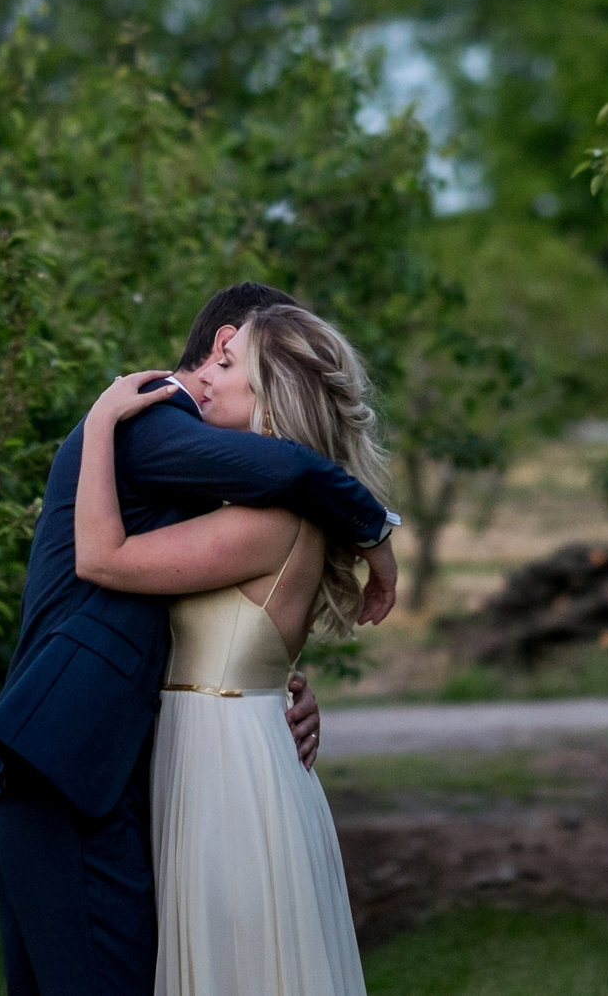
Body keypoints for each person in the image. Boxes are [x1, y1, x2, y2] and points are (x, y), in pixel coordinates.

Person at [0, 284, 401, 996]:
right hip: (64, 766)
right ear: (222, 339)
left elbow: (224, 610)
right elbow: (288, 469)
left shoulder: (226, 488)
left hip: (95, 771)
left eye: (234, 368)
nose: (211, 379)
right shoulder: (147, 418)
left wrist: (268, 683)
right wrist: (374, 525)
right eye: (224, 360)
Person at [76, 305, 384, 996]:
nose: (206, 377)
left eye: (227, 363)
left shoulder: (269, 518)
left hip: (228, 769)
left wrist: (99, 424)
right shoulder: (251, 507)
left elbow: (101, 556)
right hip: (220, 745)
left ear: (271, 394)